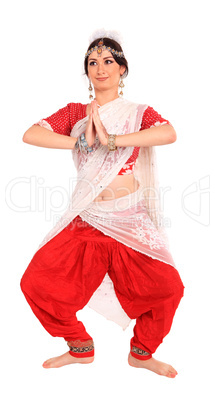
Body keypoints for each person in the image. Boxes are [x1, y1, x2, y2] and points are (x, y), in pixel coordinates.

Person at [20, 30, 184, 378]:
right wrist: (80, 143)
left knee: (169, 288)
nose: (100, 68)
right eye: (92, 62)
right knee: (36, 282)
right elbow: (32, 134)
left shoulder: (138, 113)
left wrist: (111, 140)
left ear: (122, 69)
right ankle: (79, 347)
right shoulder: (75, 113)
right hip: (89, 220)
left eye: (108, 61)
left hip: (130, 218)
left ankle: (141, 353)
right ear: (87, 71)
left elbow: (168, 133)